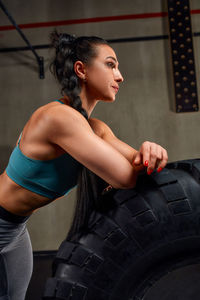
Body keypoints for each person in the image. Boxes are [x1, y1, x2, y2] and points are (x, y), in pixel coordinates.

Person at [0, 30, 168, 300]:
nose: (120, 76)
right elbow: (125, 177)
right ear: (81, 69)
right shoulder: (58, 118)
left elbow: (139, 165)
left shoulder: (96, 129)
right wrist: (139, 161)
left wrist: (149, 150)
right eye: (111, 64)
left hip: (16, 229)